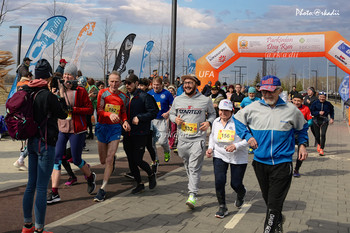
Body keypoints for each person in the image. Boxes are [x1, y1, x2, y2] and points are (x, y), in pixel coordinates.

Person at [234, 75, 308, 232]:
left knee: (274, 203)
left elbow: (302, 128)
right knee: (269, 201)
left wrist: (302, 145)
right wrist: (248, 136)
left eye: (271, 91)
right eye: (264, 91)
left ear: (279, 91)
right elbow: (237, 120)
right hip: (260, 163)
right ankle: (278, 220)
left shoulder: (291, 110)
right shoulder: (253, 108)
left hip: (282, 164)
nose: (267, 95)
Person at [21, 59, 68, 233]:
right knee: (41, 187)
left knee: (30, 185)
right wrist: (60, 93)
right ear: (48, 77)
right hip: (45, 143)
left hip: (31, 143)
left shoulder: (26, 90)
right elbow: (63, 113)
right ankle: (39, 229)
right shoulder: (47, 95)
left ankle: (27, 226)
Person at [47, 64, 96, 204]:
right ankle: (55, 192)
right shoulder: (59, 90)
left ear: (75, 77)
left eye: (69, 75)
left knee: (76, 159)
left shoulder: (80, 91)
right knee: (56, 159)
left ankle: (90, 177)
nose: (66, 77)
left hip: (77, 130)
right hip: (62, 129)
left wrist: (74, 109)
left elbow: (89, 109)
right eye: (65, 75)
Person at [169, 74, 216, 209]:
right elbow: (172, 114)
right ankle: (193, 185)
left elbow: (213, 114)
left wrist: (208, 122)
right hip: (183, 139)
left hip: (198, 139)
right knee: (187, 164)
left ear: (196, 84)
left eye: (190, 83)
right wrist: (174, 120)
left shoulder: (205, 100)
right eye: (185, 83)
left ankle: (192, 195)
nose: (187, 85)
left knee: (194, 167)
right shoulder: (178, 99)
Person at [206, 99, 249, 219]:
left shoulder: (239, 122)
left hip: (238, 156)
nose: (223, 113)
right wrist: (210, 148)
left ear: (232, 111)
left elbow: (249, 140)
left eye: (226, 111)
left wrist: (236, 146)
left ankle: (241, 193)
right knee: (219, 181)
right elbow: (212, 137)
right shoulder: (215, 122)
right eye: (221, 110)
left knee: (235, 184)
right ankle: (222, 206)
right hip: (220, 155)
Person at [93, 71, 130, 201]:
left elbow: (124, 112)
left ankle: (102, 188)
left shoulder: (124, 97)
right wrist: (110, 114)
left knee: (109, 159)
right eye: (112, 81)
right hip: (103, 127)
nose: (114, 84)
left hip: (115, 129)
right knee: (103, 160)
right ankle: (111, 161)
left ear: (120, 82)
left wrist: (124, 121)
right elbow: (100, 110)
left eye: (116, 81)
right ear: (108, 81)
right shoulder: (102, 93)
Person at [124, 73, 159, 194]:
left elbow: (154, 112)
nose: (127, 85)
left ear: (136, 84)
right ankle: (139, 184)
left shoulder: (145, 96)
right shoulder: (125, 97)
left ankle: (150, 174)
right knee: (130, 161)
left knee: (138, 159)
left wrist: (140, 117)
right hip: (127, 133)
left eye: (129, 83)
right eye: (126, 83)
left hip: (140, 133)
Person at [148, 77, 174, 162]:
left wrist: (168, 113)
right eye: (154, 85)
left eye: (157, 85)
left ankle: (167, 151)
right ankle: (155, 159)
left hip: (162, 120)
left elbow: (173, 106)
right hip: (151, 120)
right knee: (151, 143)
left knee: (162, 141)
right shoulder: (149, 94)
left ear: (161, 85)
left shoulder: (167, 94)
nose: (155, 87)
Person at [292, 93, 313, 177]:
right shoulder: (287, 108)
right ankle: (287, 169)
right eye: (295, 100)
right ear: (292, 100)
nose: (297, 102)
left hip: (301, 133)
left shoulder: (306, 108)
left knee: (301, 153)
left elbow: (310, 121)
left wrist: (303, 126)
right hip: (290, 134)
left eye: (299, 101)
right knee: (287, 152)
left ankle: (296, 169)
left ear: (302, 101)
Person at [310, 92, 334, 156]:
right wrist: (318, 112)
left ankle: (321, 149)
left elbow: (332, 111)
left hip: (324, 120)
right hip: (316, 120)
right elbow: (311, 111)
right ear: (318, 97)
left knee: (323, 134)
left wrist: (332, 118)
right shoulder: (315, 103)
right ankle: (319, 143)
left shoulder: (328, 104)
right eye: (321, 97)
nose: (322, 98)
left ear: (325, 97)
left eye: (323, 97)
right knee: (317, 135)